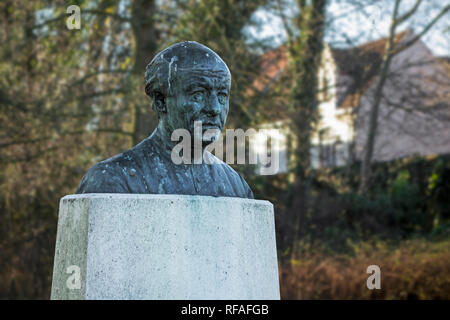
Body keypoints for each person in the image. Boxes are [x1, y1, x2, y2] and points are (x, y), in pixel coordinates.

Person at [76, 41, 254, 199]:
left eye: (222, 96)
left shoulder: (236, 187)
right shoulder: (113, 182)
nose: (215, 108)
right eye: (198, 95)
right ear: (160, 101)